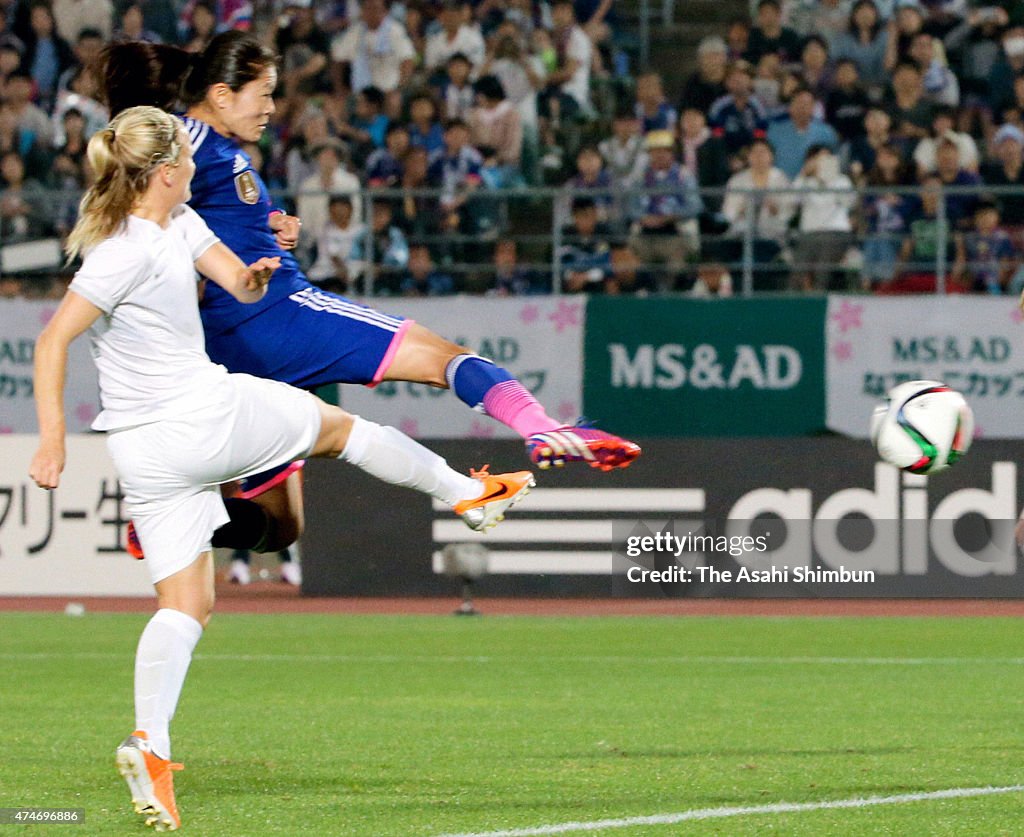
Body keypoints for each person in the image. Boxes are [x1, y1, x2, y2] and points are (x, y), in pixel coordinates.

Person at [28, 106, 536, 832]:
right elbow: (51, 342)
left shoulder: (179, 224)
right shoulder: (126, 246)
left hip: (144, 452)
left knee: (185, 604)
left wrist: (265, 266)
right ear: (169, 172)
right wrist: (51, 440)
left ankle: (152, 746)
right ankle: (469, 493)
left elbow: (238, 285)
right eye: (189, 166)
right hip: (199, 415)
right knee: (341, 429)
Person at [101, 35, 639, 555]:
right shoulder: (183, 135)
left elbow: (188, 214)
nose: (271, 106)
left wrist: (264, 226)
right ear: (222, 94)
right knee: (442, 358)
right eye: (263, 92)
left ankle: (174, 524)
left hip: (229, 348)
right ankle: (541, 429)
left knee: (280, 527)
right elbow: (136, 185)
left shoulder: (215, 151)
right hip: (278, 315)